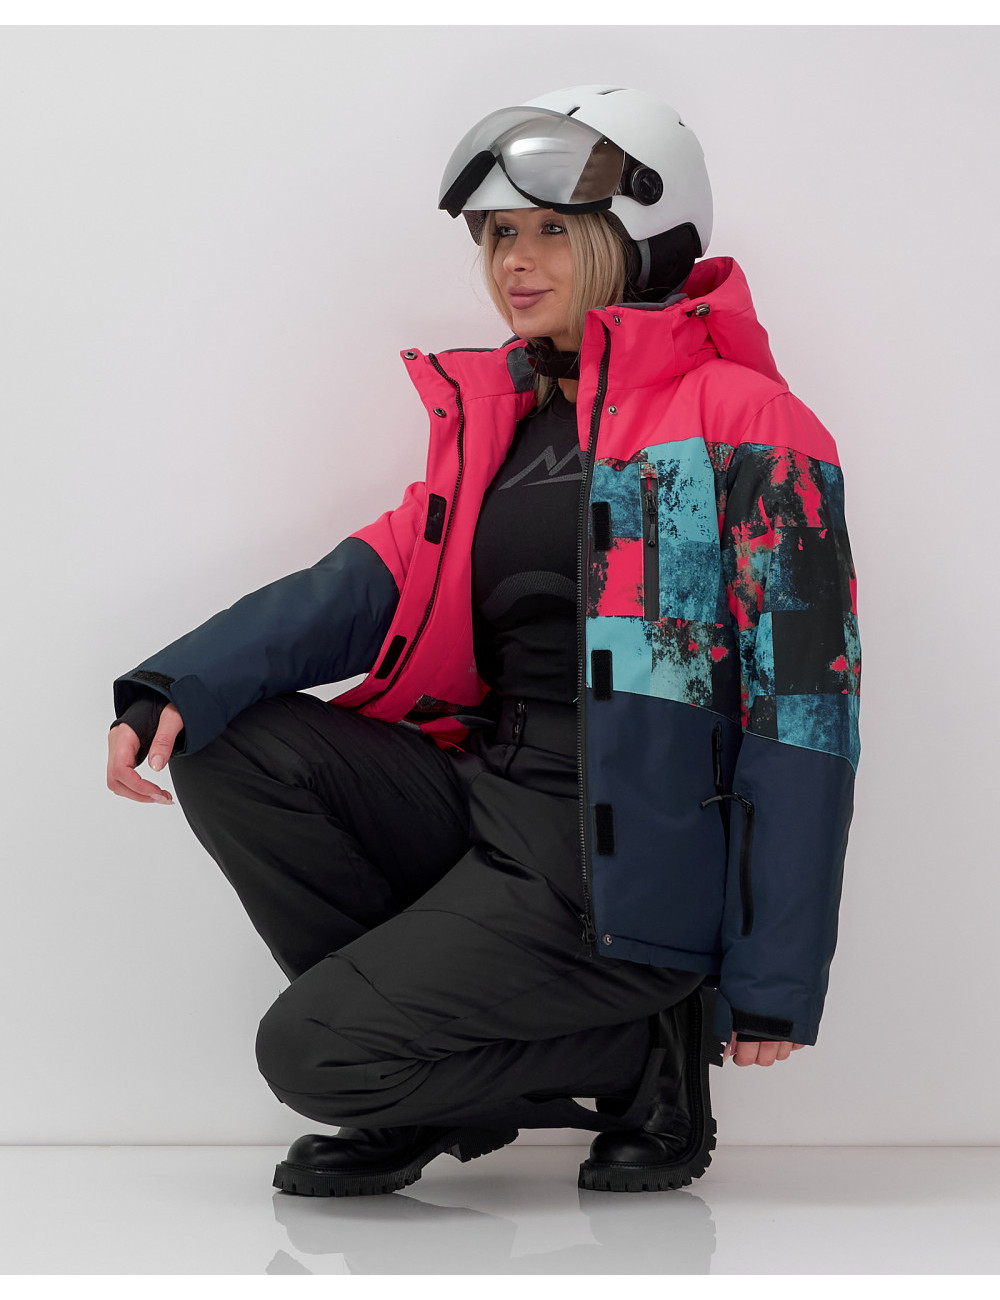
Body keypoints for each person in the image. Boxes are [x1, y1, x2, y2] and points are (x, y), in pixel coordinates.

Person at [106, 84, 861, 1196]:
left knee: (308, 1052)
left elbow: (805, 713)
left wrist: (774, 976)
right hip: (487, 795)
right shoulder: (506, 417)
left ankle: (643, 1049)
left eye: (552, 228)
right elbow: (370, 580)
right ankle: (421, 1080)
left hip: (623, 862)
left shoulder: (743, 423)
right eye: (499, 233)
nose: (516, 260)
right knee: (227, 742)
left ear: (640, 238)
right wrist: (178, 683)